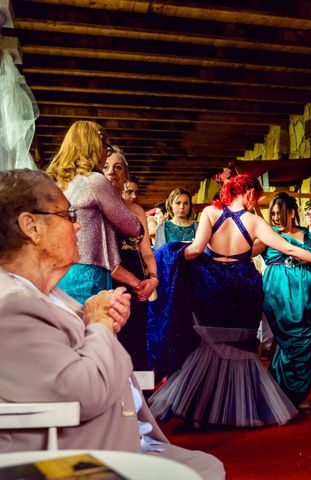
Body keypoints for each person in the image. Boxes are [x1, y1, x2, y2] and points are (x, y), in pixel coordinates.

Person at [0, 169, 224, 479]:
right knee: (205, 470)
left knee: (208, 465)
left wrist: (101, 321)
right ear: (31, 226)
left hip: (122, 438)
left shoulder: (50, 294)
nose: (78, 224)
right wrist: (102, 323)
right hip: (81, 459)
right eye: (66, 215)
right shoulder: (11, 304)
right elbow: (83, 392)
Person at [147, 175, 311, 427]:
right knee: (241, 349)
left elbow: (194, 251)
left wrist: (166, 254)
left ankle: (200, 408)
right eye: (256, 197)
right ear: (248, 193)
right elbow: (289, 249)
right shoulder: (254, 221)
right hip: (242, 288)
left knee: (210, 346)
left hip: (212, 287)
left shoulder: (210, 213)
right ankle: (239, 407)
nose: (255, 202)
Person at [45, 120, 141, 304]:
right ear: (95, 147)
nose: (107, 153)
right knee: (91, 326)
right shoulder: (94, 181)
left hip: (59, 270)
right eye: (106, 147)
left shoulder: (56, 181)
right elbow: (131, 226)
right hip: (87, 272)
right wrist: (140, 230)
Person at [254, 193, 311, 411]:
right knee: (288, 343)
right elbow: (244, 251)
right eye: (272, 213)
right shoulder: (267, 236)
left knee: (308, 343)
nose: (275, 217)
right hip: (279, 295)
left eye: (279, 212)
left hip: (307, 298)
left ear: (292, 213)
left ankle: (300, 394)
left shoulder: (306, 235)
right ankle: (279, 393)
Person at [104, 148, 159, 369]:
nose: (111, 172)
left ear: (126, 174)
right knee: (116, 334)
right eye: (106, 167)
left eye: (118, 167)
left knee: (137, 336)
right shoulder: (99, 207)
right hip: (114, 276)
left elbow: (146, 251)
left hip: (138, 275)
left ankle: (138, 397)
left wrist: (153, 279)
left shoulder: (137, 210)